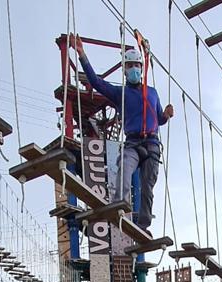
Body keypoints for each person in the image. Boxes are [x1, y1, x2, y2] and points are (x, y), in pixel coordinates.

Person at [70, 34, 174, 233]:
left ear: (141, 69)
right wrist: (82, 55)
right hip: (133, 143)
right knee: (124, 171)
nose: (134, 68)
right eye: (130, 66)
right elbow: (96, 82)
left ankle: (143, 226)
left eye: (137, 65)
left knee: (147, 188)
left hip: (151, 144)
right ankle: (119, 206)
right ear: (125, 70)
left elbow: (158, 119)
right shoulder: (121, 94)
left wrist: (166, 115)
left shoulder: (152, 92)